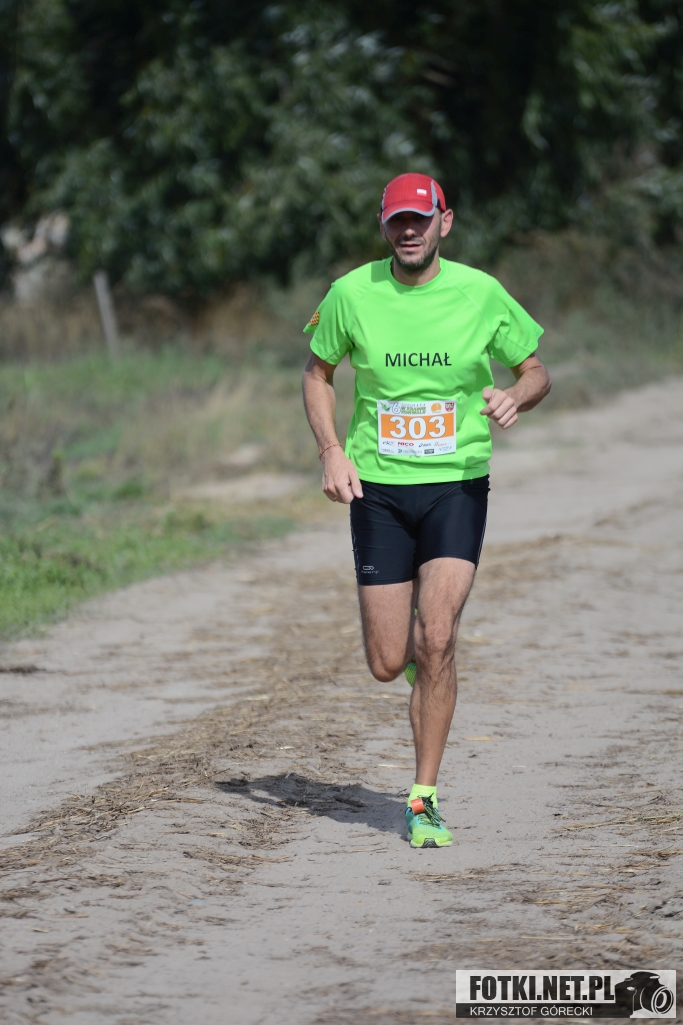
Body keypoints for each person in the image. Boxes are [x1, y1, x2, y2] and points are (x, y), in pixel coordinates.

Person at [302, 173, 551, 848]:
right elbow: (317, 373)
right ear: (384, 227)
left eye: (420, 218)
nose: (408, 231)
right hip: (378, 491)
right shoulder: (350, 293)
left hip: (455, 485)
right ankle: (415, 659)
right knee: (389, 662)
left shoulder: (480, 292)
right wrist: (331, 450)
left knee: (438, 635)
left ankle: (422, 799)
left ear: (445, 220)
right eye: (397, 221)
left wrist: (515, 396)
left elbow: (535, 369)